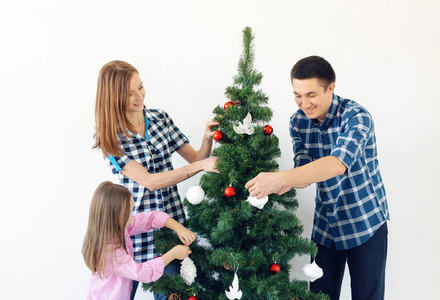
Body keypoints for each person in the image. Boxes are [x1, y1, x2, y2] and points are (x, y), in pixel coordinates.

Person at [245, 56, 389, 300]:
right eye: (297, 95)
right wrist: (284, 182)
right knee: (319, 296)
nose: (304, 103)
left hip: (365, 224)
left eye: (311, 94)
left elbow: (336, 164)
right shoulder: (298, 122)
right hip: (326, 227)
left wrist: (281, 178)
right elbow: (304, 172)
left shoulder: (357, 117)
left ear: (330, 87)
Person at [93, 60, 219, 299]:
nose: (138, 96)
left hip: (171, 224)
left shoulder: (160, 118)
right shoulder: (110, 138)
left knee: (174, 293)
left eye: (140, 87)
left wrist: (207, 138)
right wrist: (198, 165)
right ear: (112, 98)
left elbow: (195, 158)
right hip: (131, 230)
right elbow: (149, 181)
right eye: (129, 93)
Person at [82, 181, 195, 300]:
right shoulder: (109, 253)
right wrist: (174, 253)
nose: (131, 219)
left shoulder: (119, 229)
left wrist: (179, 228)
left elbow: (151, 218)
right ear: (113, 218)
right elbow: (141, 272)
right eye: (128, 214)